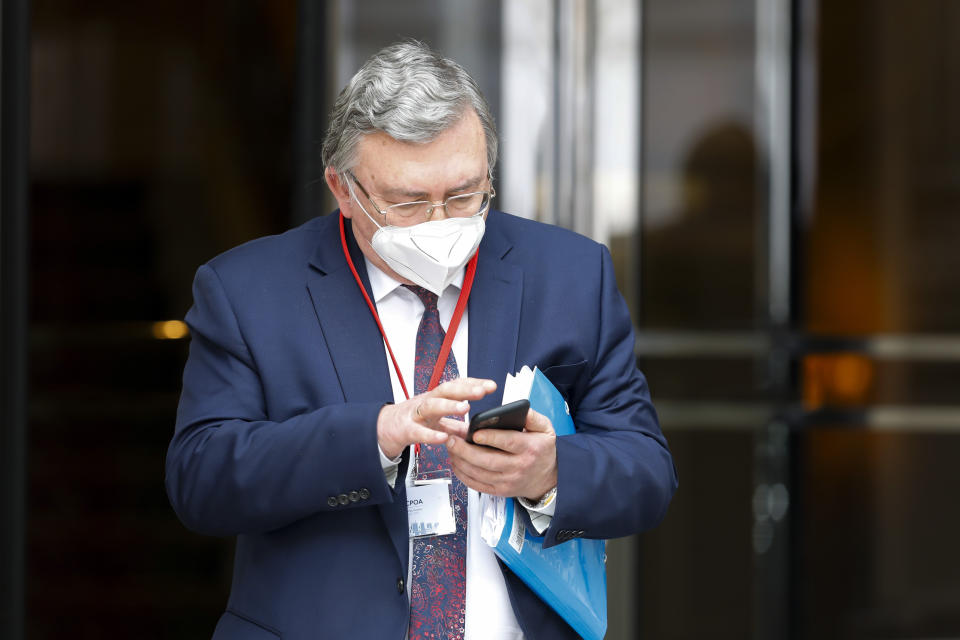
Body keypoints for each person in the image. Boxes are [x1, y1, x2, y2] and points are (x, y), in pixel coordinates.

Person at [166, 40, 677, 640]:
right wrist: (376, 437)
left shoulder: (570, 275)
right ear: (343, 188)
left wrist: (551, 472)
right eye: (408, 203)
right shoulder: (247, 290)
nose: (441, 223)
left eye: (464, 195)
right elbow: (201, 481)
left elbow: (647, 472)